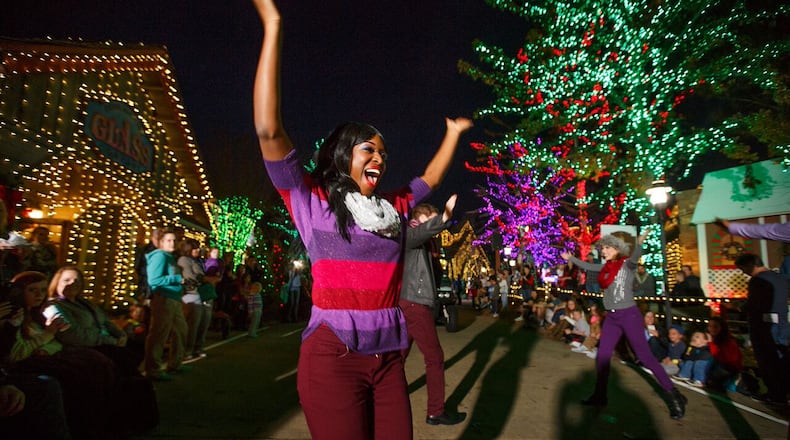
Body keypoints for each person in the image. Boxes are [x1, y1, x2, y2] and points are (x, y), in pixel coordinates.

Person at [252, 0, 473, 437]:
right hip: (333, 355)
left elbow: (429, 178)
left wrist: (451, 134)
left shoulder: (395, 207)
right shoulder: (310, 198)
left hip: (388, 356)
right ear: (342, 155)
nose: (379, 159)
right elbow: (269, 130)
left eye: (383, 153)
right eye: (368, 149)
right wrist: (273, 26)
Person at [561, 232, 687, 419]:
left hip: (629, 316)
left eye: (607, 248)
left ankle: (675, 396)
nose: (603, 251)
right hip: (612, 318)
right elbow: (588, 266)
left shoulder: (627, 264)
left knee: (645, 357)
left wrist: (639, 244)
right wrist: (571, 258)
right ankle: (600, 396)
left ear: (617, 249)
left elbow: (636, 257)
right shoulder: (605, 267)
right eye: (602, 248)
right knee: (602, 357)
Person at [399, 197, 465, 426]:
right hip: (415, 303)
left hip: (410, 302)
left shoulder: (425, 242)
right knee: (434, 358)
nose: (435, 226)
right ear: (420, 218)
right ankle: (436, 411)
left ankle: (381, 397)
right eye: (431, 219)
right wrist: (444, 217)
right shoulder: (410, 234)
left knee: (397, 357)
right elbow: (422, 232)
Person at [44, 266, 143, 377]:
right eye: (66, 280)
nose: (72, 283)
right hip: (87, 346)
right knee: (125, 361)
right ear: (57, 283)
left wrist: (121, 335)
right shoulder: (54, 306)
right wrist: (110, 340)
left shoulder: (86, 303)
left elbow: (105, 321)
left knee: (138, 349)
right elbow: (71, 335)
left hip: (106, 342)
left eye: (77, 281)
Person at [734, 253, 789, 405]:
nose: (743, 272)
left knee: (767, 361)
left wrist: (740, 308)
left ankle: (776, 395)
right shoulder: (780, 278)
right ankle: (783, 392)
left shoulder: (758, 280)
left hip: (764, 327)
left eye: (743, 268)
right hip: (782, 325)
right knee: (781, 359)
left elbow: (754, 305)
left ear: (749, 265)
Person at [143, 228, 189, 381]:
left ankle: (175, 363)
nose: (172, 243)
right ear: (161, 242)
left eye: (174, 240)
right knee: (159, 334)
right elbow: (154, 280)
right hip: (164, 299)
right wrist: (177, 279)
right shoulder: (159, 256)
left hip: (174, 299)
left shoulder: (169, 257)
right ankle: (153, 369)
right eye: (168, 240)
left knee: (181, 330)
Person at [177, 239, 214, 361]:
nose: (197, 250)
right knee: (193, 324)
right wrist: (205, 279)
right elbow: (191, 277)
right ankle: (187, 350)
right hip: (192, 295)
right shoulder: (184, 260)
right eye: (194, 248)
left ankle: (198, 348)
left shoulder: (198, 261)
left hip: (203, 295)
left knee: (203, 323)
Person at [705, 317, 743, 391]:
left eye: (715, 326)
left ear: (722, 328)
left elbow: (720, 357)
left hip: (729, 368)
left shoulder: (728, 341)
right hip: (720, 367)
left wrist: (710, 343)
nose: (712, 329)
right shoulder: (713, 338)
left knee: (711, 360)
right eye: (710, 326)